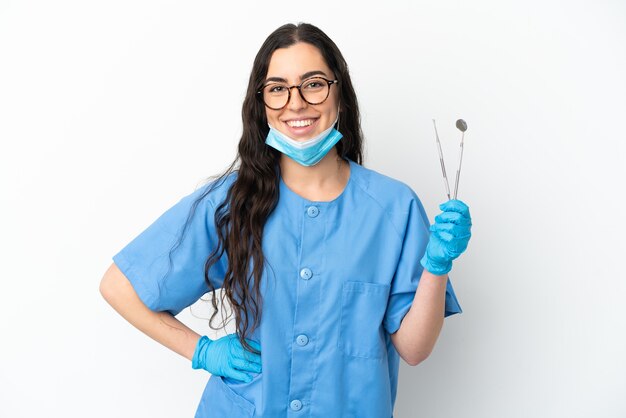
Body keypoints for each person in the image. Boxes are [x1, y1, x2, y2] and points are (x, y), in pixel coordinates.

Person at [100, 22, 472, 418]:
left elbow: (414, 350)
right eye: (277, 89)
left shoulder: (393, 207)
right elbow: (119, 286)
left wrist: (437, 266)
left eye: (312, 84)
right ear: (262, 104)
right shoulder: (230, 202)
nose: (295, 103)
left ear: (339, 93)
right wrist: (203, 352)